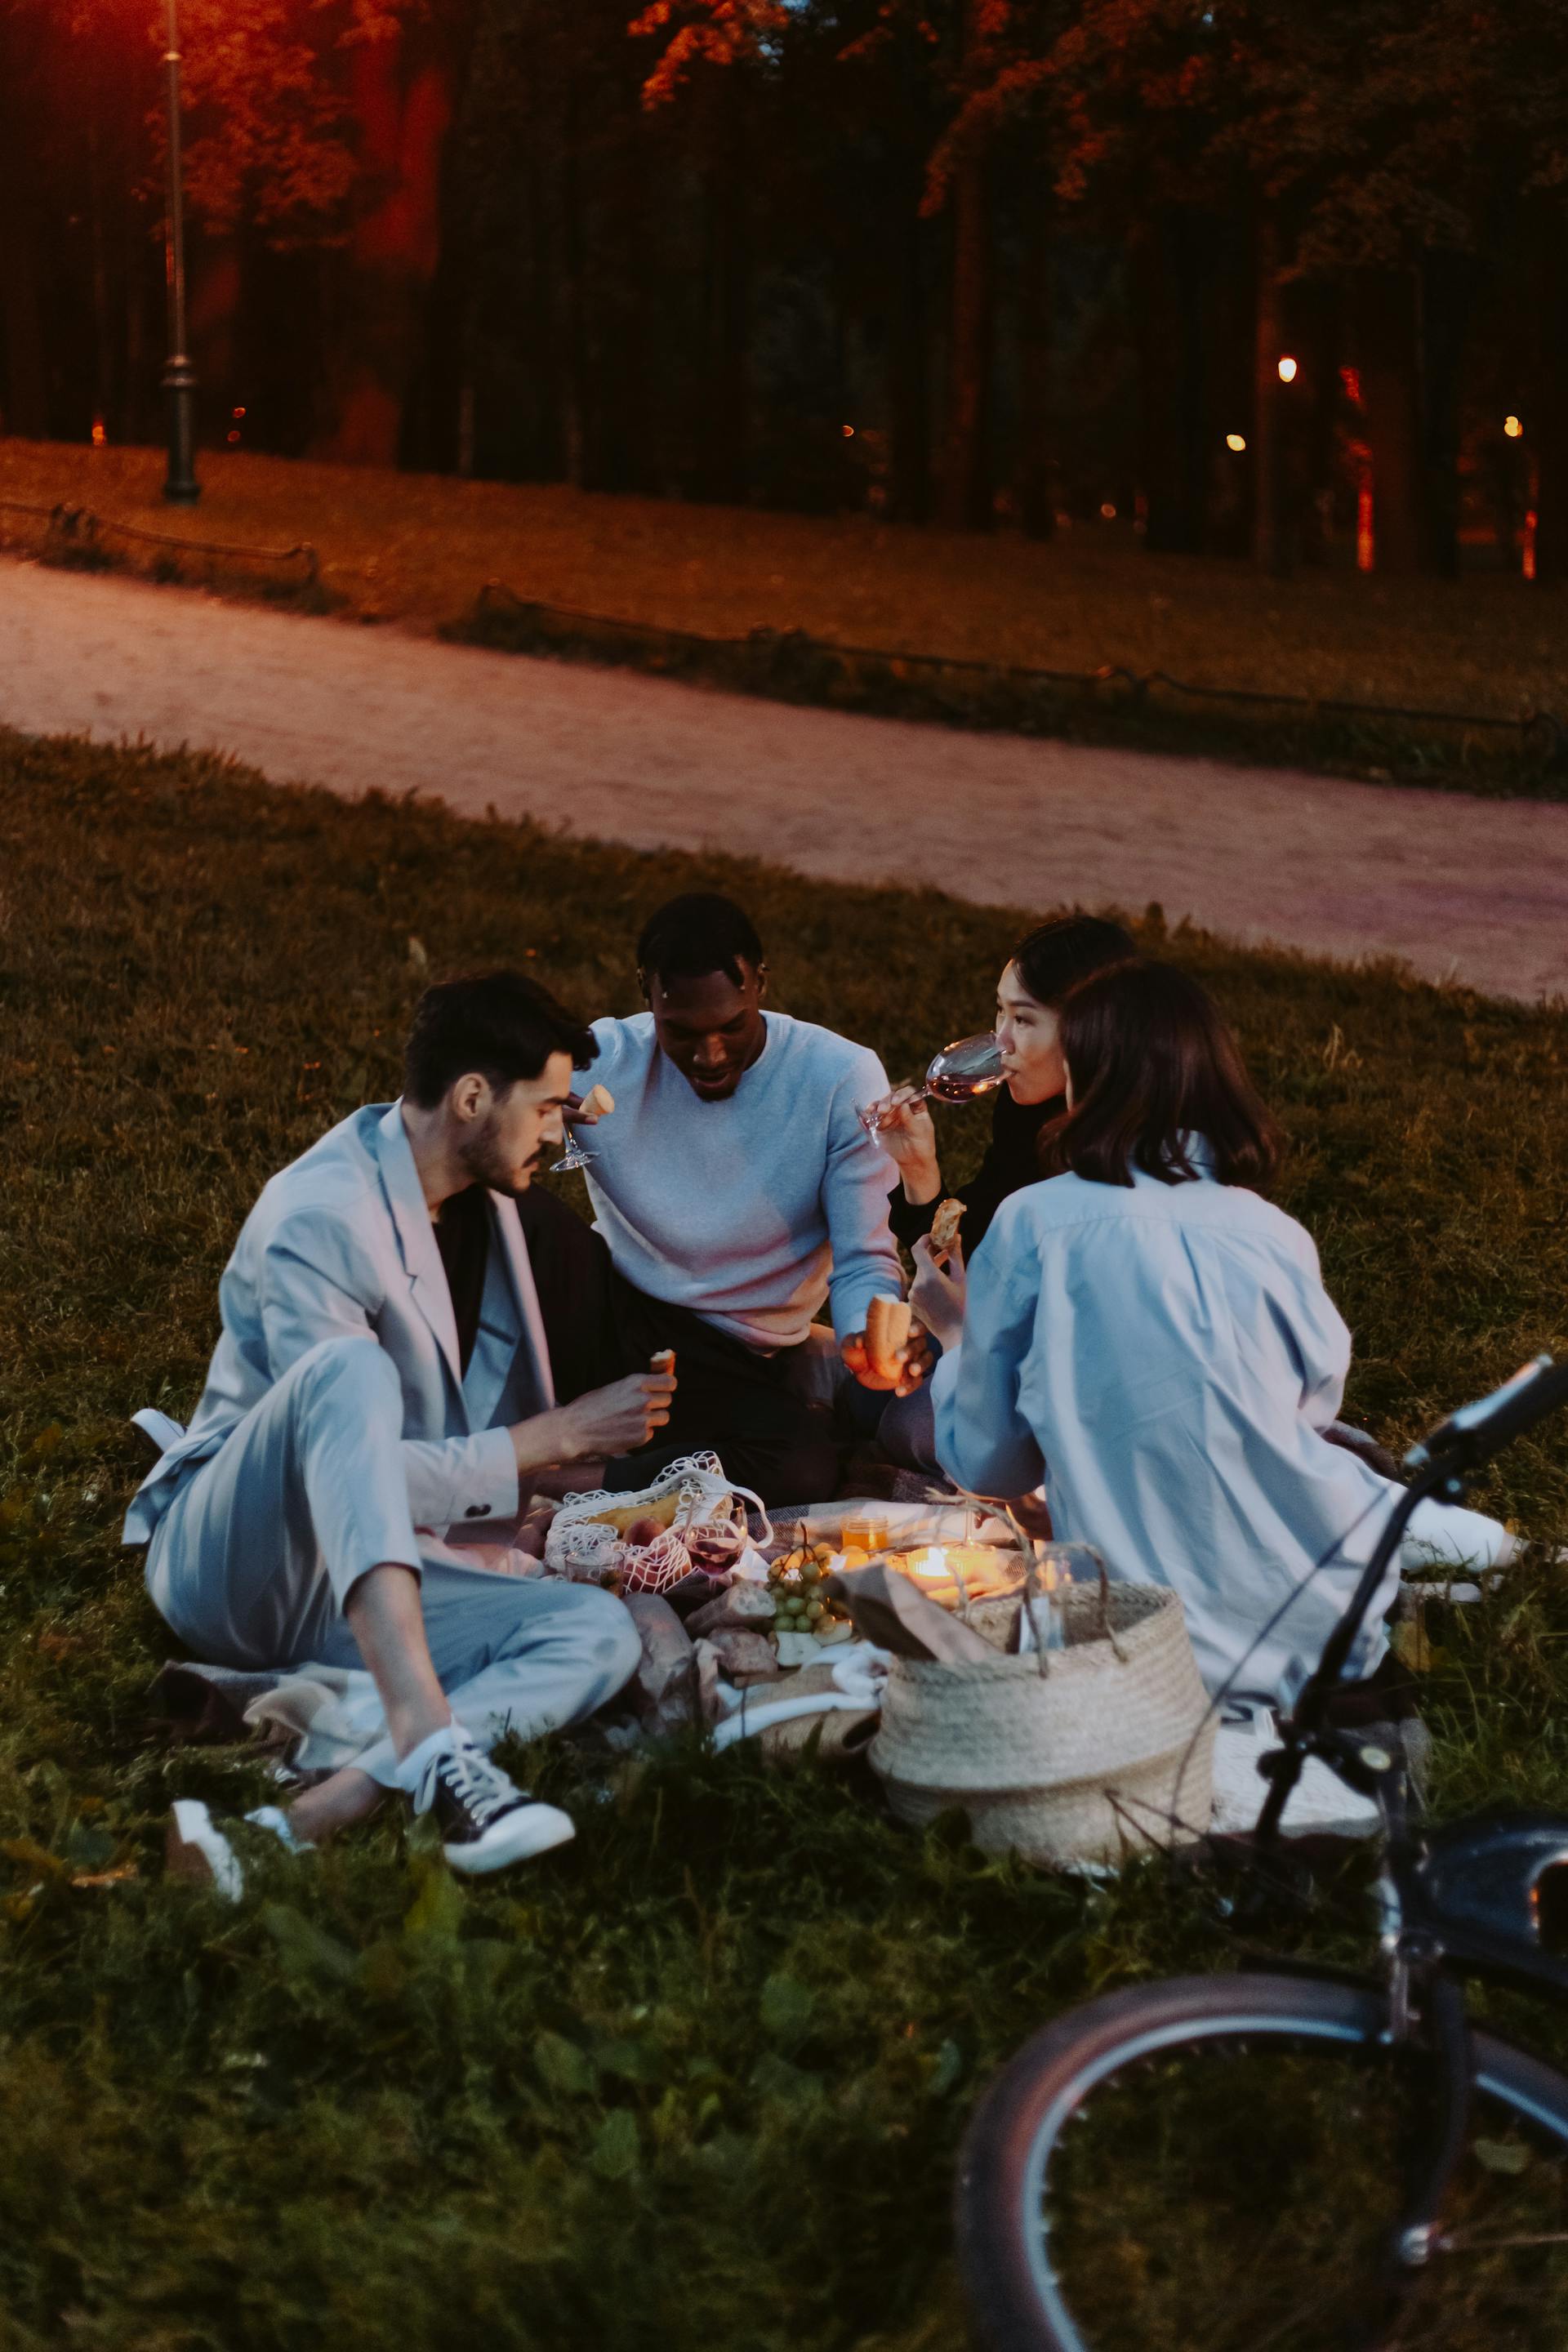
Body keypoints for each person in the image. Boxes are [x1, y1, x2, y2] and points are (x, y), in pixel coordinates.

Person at [125, 970, 667, 1892]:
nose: (557, 1131)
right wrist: (544, 1441)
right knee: (347, 1369)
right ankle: (426, 1737)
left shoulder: (485, 1203)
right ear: (470, 1097)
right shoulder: (319, 1220)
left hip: (372, 1584)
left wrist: (538, 1481)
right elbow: (335, 1474)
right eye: (544, 1108)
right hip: (243, 1568)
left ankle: (324, 1809)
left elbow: (428, 1444)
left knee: (598, 1633)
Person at [927, 960, 1511, 1706]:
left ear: (1088, 1079)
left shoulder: (1036, 1222)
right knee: (1351, 1485)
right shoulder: (1273, 1233)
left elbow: (991, 1462)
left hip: (1137, 1644)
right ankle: (1497, 1559)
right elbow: (1309, 1413)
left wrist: (954, 1336)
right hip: (1316, 1631)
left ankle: (1482, 1555)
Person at [555, 892, 923, 1505]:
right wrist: (529, 1116)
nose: (710, 1055)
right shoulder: (599, 1059)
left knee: (802, 1467)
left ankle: (562, 1483)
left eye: (732, 1026)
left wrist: (864, 1333)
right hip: (613, 1302)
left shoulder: (837, 1078)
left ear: (760, 985)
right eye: (683, 1033)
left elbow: (865, 1257)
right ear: (647, 993)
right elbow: (464, 1102)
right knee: (511, 1220)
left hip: (734, 1349)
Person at [858, 913, 1136, 1471]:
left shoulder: (1120, 1161)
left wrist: (958, 1340)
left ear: (1092, 1030)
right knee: (869, 1395)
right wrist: (918, 1168)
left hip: (1088, 1386)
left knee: (912, 1423)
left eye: (1024, 1021)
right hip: (1007, 1345)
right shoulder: (1029, 1112)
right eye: (1000, 1012)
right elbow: (977, 1245)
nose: (1000, 1042)